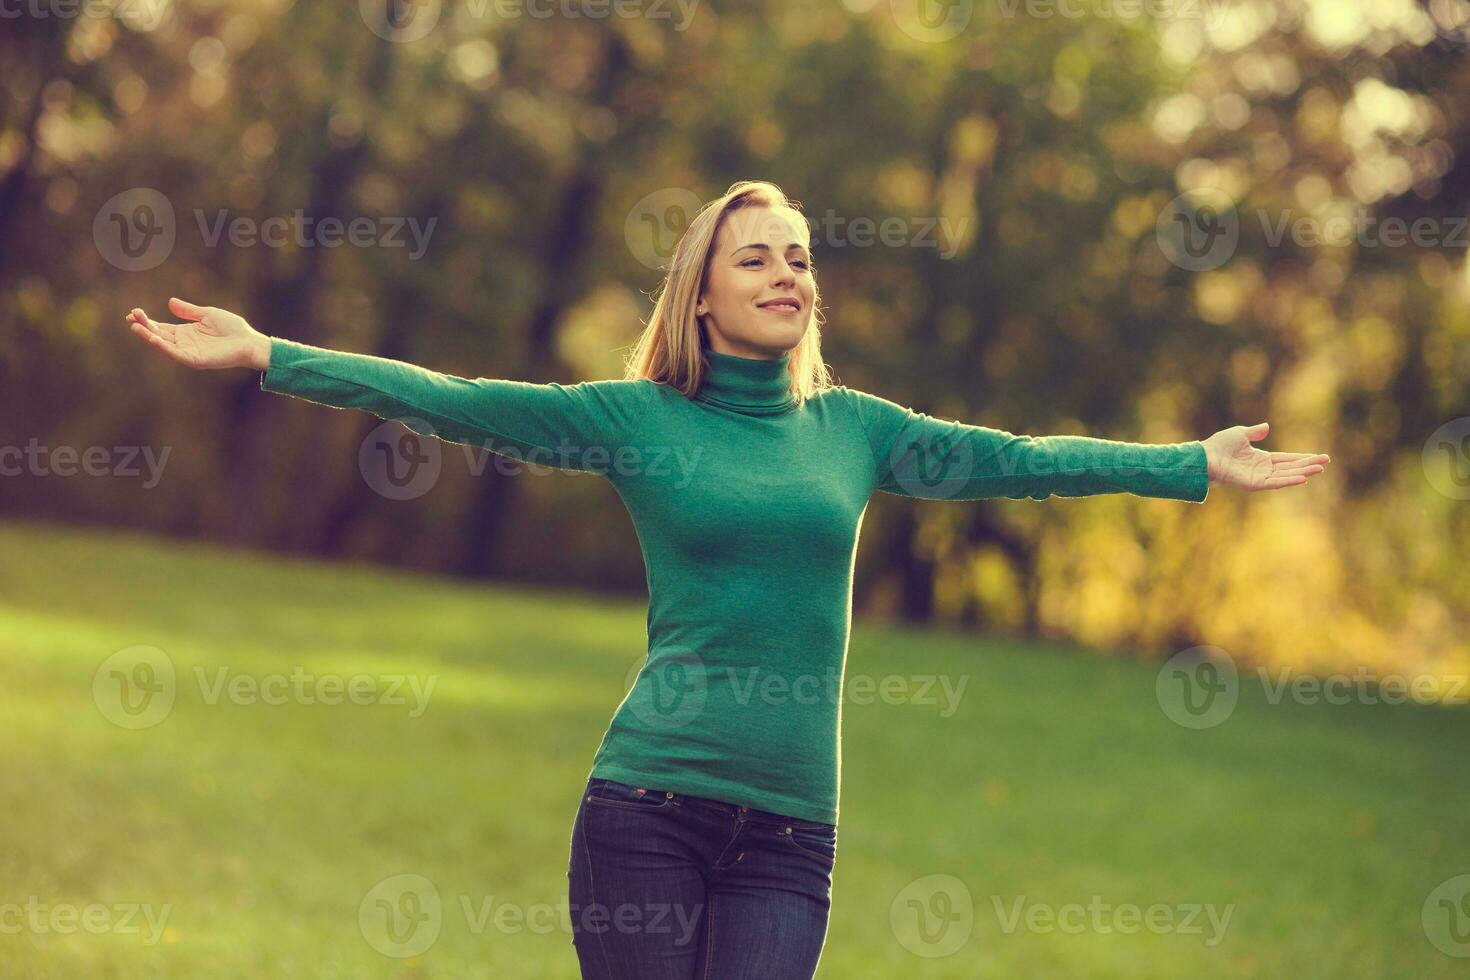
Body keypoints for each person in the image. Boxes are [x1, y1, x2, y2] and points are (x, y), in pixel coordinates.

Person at [125, 180, 1329, 979]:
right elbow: (456, 397)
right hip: (647, 808)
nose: (790, 274)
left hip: (793, 832)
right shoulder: (636, 418)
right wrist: (275, 352)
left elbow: (1016, 459)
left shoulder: (856, 427)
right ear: (701, 289)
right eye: (759, 258)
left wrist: (1188, 463)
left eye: (801, 259)